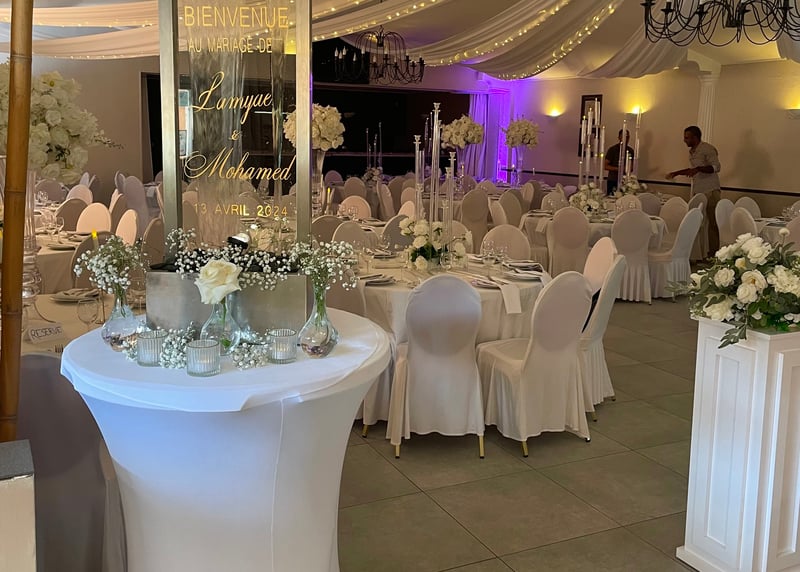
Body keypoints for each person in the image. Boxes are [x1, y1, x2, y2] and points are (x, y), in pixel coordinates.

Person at [667, 125, 721, 256]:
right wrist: (676, 173)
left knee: (713, 223)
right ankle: (698, 253)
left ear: (695, 138)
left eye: (687, 138)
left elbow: (716, 167)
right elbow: (693, 170)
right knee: (696, 222)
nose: (684, 140)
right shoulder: (692, 151)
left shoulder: (707, 149)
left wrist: (698, 169)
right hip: (699, 190)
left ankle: (715, 254)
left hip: (710, 190)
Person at [604, 130, 634, 196]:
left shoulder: (630, 150)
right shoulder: (613, 150)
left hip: (626, 181)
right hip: (613, 180)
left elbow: (632, 166)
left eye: (627, 137)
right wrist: (618, 169)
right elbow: (605, 166)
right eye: (624, 136)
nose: (626, 138)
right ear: (619, 137)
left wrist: (628, 169)